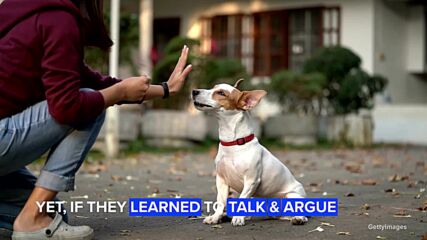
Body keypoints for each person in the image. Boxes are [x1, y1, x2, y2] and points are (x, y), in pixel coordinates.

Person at [0, 0, 192, 239]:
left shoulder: (21, 10)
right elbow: (68, 107)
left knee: (54, 210)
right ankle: (30, 219)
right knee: (92, 103)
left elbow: (92, 80)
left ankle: (32, 215)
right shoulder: (58, 18)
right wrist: (117, 94)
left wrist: (164, 89)